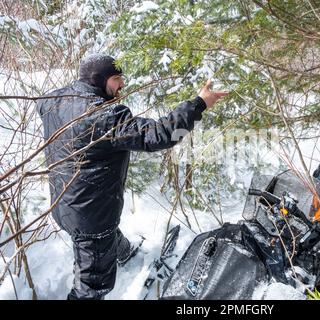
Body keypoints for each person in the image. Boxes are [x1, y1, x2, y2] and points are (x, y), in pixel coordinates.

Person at [37, 53, 228, 299]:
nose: (122, 85)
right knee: (91, 287)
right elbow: (160, 135)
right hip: (91, 217)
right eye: (116, 79)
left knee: (102, 237)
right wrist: (199, 104)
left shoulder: (53, 100)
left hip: (63, 202)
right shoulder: (102, 118)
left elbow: (41, 105)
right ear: (98, 79)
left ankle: (124, 253)